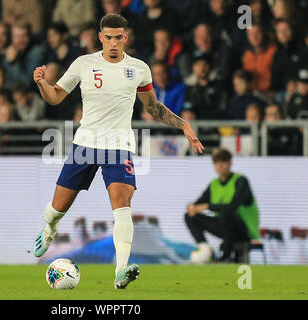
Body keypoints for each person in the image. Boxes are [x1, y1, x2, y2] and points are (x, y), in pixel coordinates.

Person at [32, 14, 204, 289]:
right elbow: (55, 98)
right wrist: (42, 83)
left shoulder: (139, 69)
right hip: (85, 144)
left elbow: (153, 108)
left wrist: (183, 125)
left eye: (118, 37)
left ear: (126, 37)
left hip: (119, 147)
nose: (113, 43)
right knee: (56, 209)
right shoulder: (84, 64)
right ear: (101, 38)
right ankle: (50, 229)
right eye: (108, 37)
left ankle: (121, 270)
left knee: (122, 207)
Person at [185, 148, 260, 264]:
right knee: (190, 216)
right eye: (216, 162)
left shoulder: (240, 181)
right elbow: (196, 204)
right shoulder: (214, 184)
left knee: (226, 213)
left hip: (244, 231)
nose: (220, 165)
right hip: (225, 229)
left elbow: (232, 207)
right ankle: (205, 249)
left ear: (230, 162)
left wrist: (206, 206)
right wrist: (191, 207)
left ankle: (225, 256)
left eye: (223, 161)